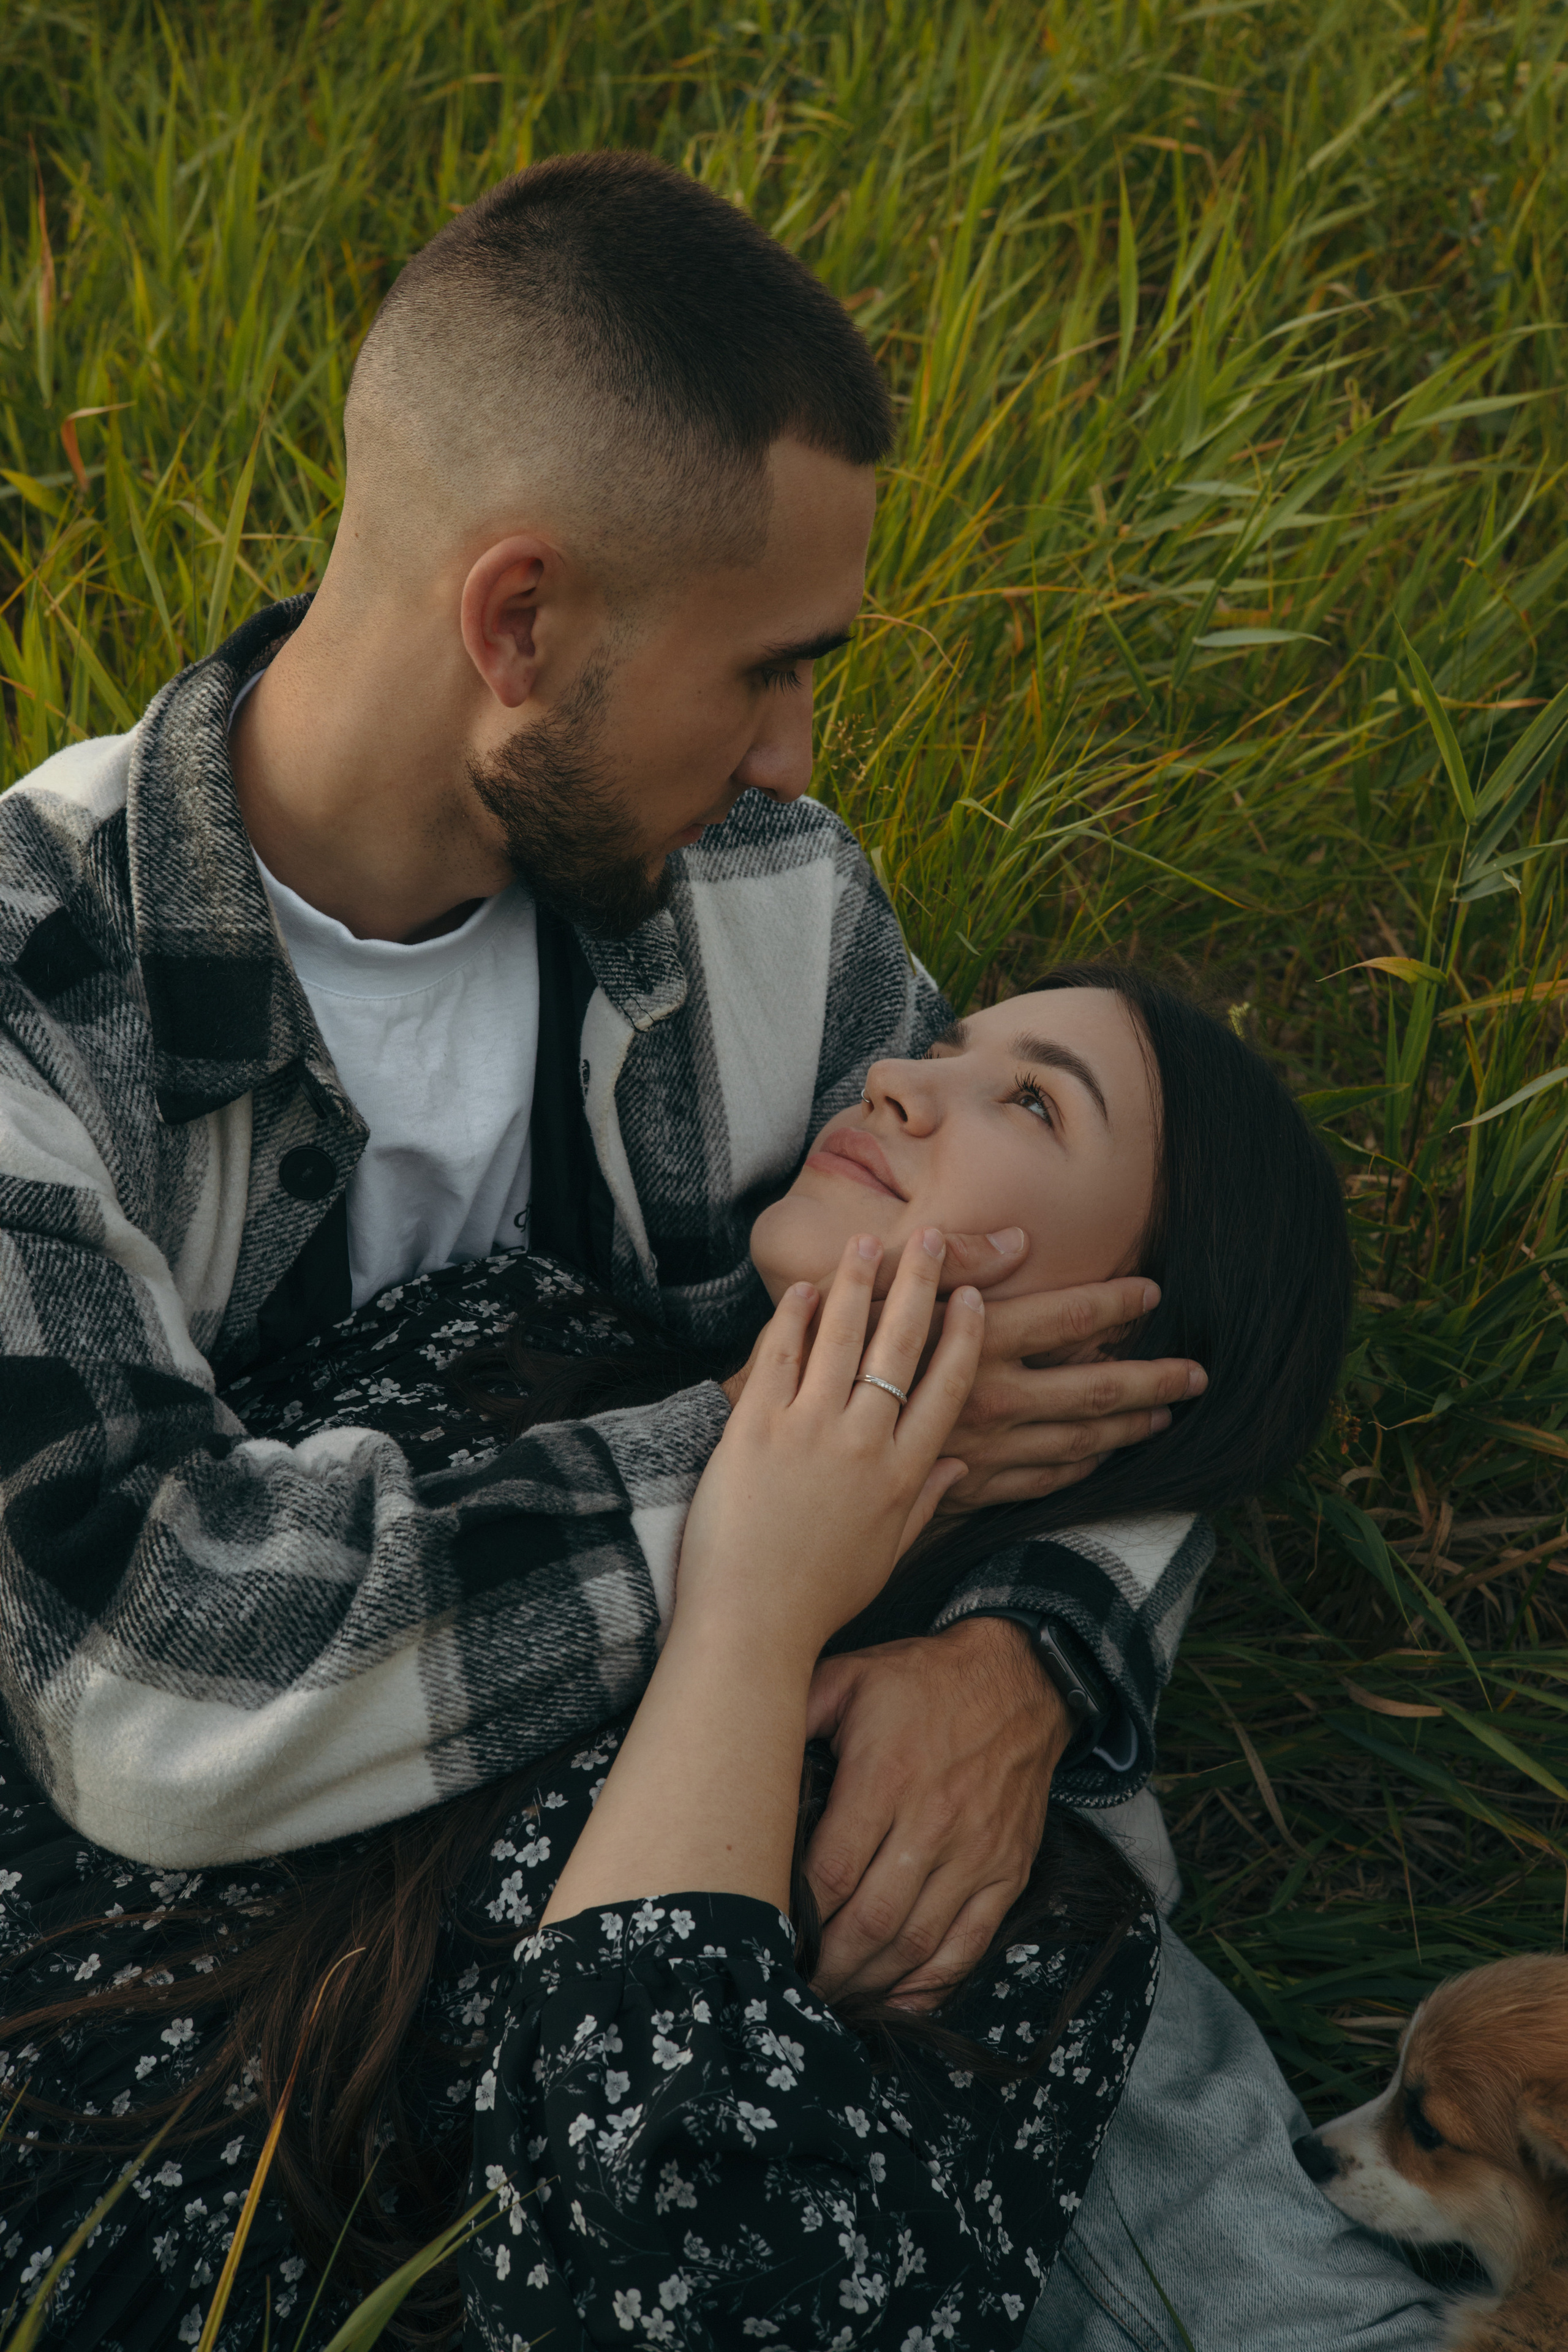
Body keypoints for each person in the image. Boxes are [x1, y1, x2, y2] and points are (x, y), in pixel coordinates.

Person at [0, 154, 1444, 2349]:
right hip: (212, 1946)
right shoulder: (38, 990)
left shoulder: (770, 901)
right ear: (521, 627)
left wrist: (1023, 1662)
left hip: (734, 1843)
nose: (795, 757)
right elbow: (151, 1690)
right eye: (767, 671)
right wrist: (809, 1491)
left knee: (1014, 1969)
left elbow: (1115, 1335)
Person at [1, 973, 1433, 2351]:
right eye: (945, 1042)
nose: (895, 1078)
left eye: (1036, 1106)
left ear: (1136, 1327)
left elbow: (668, 2296)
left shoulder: (976, 1887)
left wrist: (750, 1618)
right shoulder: (507, 1337)